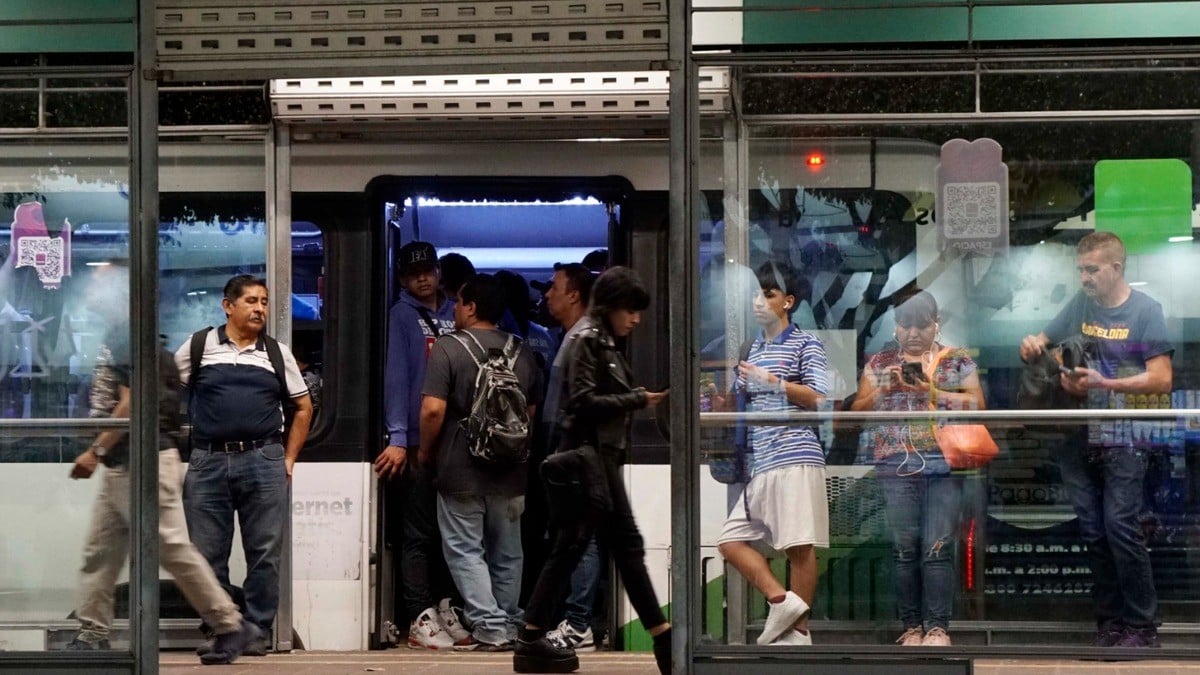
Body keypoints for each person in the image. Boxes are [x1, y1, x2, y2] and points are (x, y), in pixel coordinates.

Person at [66, 266, 257, 665]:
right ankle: (93, 631)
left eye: (102, 282)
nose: (93, 290)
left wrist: (94, 452)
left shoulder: (128, 335)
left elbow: (130, 402)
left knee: (170, 545)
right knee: (100, 552)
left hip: (144, 460)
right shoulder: (128, 335)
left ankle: (229, 624)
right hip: (124, 461)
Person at [1020, 231, 1172, 648]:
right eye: (1080, 270)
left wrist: (1104, 382)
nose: (1084, 278)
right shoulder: (1079, 305)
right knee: (1093, 531)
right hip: (1076, 435)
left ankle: (1143, 626)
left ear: (1117, 268)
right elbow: (1043, 345)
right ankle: (1110, 622)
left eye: (1092, 269)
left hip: (1124, 436)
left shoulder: (1145, 310)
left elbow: (1162, 377)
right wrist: (1034, 347)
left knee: (1120, 526)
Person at [516, 266, 672, 675]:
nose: (636, 319)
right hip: (590, 461)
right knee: (625, 547)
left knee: (572, 548)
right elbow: (582, 401)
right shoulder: (588, 341)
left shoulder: (602, 343)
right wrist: (636, 399)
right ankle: (665, 640)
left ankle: (530, 639)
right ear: (610, 306)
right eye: (630, 309)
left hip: (598, 460)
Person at [177, 274, 314, 656]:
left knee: (265, 552)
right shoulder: (199, 346)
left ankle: (255, 628)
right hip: (207, 460)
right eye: (251, 301)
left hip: (263, 458)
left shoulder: (275, 353)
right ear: (228, 306)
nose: (259, 309)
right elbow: (166, 392)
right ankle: (223, 627)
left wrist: (287, 459)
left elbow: (303, 407)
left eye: (264, 302)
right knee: (206, 553)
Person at [850, 289, 984, 647]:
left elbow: (978, 405)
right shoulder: (879, 362)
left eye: (921, 325)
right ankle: (912, 626)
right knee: (905, 548)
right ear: (895, 326)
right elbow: (856, 411)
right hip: (895, 465)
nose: (913, 333)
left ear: (935, 324)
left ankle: (938, 627)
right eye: (905, 325)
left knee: (938, 547)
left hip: (944, 463)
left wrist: (931, 390)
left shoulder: (955, 360)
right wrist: (882, 389)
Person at [419, 274, 544, 651]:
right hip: (512, 470)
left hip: (460, 468)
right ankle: (507, 622)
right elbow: (531, 411)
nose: (453, 308)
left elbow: (432, 410)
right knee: (508, 552)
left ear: (471, 307)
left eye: (457, 302)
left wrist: (426, 452)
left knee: (464, 549)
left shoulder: (448, 348)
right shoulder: (524, 351)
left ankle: (489, 627)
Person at [715, 262, 830, 647]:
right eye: (755, 294)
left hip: (796, 454)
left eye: (769, 294)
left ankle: (799, 633)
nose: (759, 302)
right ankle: (782, 602)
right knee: (730, 542)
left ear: (789, 302)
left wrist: (773, 382)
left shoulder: (806, 343)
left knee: (799, 546)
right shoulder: (753, 347)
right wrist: (721, 402)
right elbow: (740, 405)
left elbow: (818, 399)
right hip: (760, 461)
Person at [377, 241, 468, 649]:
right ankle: (419, 614)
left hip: (456, 441)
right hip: (416, 440)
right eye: (414, 273)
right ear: (401, 279)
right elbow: (396, 377)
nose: (422, 277)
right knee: (419, 532)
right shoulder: (400, 316)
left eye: (428, 270)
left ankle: (448, 608)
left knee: (456, 533)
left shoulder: (459, 313)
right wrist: (398, 436)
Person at [539, 263, 605, 651]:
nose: (547, 295)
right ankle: (576, 618)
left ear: (573, 296)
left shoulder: (581, 339)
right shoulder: (576, 337)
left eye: (554, 288)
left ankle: (579, 623)